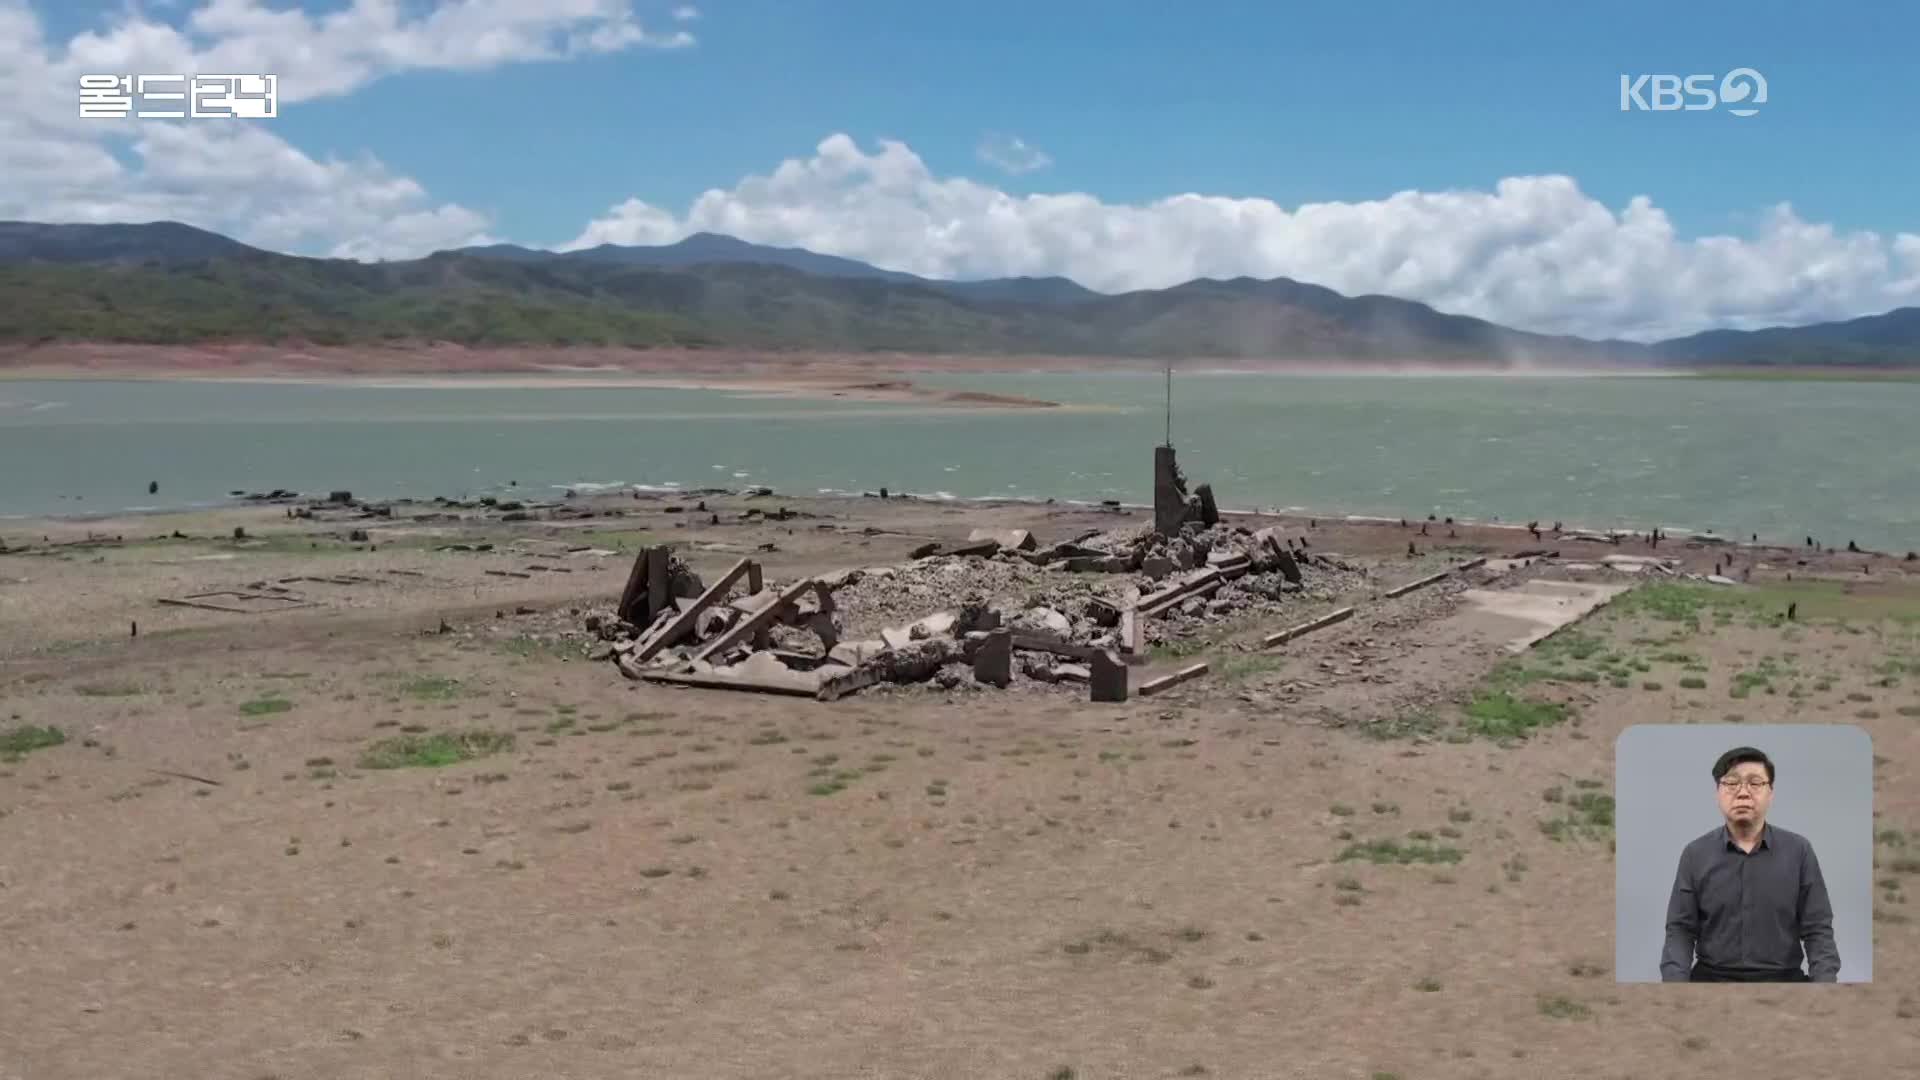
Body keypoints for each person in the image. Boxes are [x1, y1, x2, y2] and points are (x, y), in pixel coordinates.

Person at [1661, 747, 1839, 982]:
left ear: (1771, 793)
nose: (1743, 793)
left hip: (1784, 981)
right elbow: (1680, 930)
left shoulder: (1799, 851)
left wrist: (1824, 988)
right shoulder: (1695, 854)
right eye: (1731, 783)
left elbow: (1818, 929)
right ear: (1718, 792)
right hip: (1711, 981)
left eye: (1755, 783)